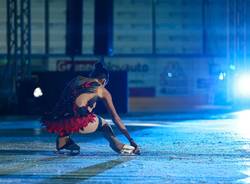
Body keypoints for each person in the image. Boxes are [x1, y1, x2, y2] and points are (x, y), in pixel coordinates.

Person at [41, 62, 140, 155]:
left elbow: (62, 101)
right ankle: (118, 145)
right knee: (104, 124)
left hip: (58, 120)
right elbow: (116, 118)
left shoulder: (77, 80)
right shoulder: (102, 90)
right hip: (78, 121)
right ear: (104, 80)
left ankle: (63, 141)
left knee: (70, 110)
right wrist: (131, 139)